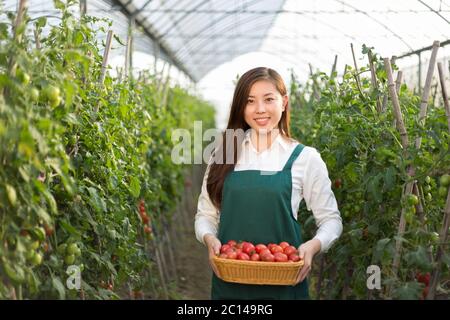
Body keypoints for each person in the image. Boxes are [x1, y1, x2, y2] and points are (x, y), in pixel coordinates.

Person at [194, 67, 342, 300]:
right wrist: (209, 238)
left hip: (285, 284)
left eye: (269, 99)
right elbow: (205, 215)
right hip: (230, 281)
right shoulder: (223, 154)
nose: (260, 109)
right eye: (250, 101)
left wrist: (312, 246)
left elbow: (331, 220)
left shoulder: (305, 157)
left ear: (284, 102)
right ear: (241, 107)